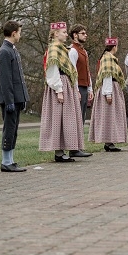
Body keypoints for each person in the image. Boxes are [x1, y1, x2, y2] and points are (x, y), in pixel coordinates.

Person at [40, 21, 86, 162]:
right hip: (59, 86)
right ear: (55, 33)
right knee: (59, 119)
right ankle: (59, 153)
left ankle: (64, 150)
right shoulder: (54, 49)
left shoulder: (62, 48)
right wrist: (59, 90)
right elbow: (52, 71)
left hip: (66, 84)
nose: (66, 35)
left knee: (66, 119)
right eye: (64, 32)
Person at [0, 20, 30, 172]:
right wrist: (9, 100)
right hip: (10, 98)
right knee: (9, 129)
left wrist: (23, 97)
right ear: (14, 33)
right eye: (19, 33)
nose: (20, 35)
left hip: (17, 97)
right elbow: (6, 79)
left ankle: (11, 160)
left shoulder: (12, 50)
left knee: (14, 129)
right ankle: (6, 161)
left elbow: (19, 78)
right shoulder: (4, 51)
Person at [89, 38, 128, 152]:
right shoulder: (108, 58)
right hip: (109, 89)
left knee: (110, 116)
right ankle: (109, 141)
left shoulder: (108, 58)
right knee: (110, 116)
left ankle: (109, 142)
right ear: (114, 47)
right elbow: (107, 76)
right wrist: (108, 94)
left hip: (112, 88)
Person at [67, 24, 93, 158]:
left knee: (81, 117)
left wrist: (90, 88)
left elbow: (87, 71)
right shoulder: (73, 51)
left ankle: (78, 146)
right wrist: (76, 89)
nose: (85, 35)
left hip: (84, 86)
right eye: (83, 33)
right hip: (78, 87)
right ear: (75, 35)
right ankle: (74, 148)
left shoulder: (83, 51)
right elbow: (73, 72)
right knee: (76, 118)